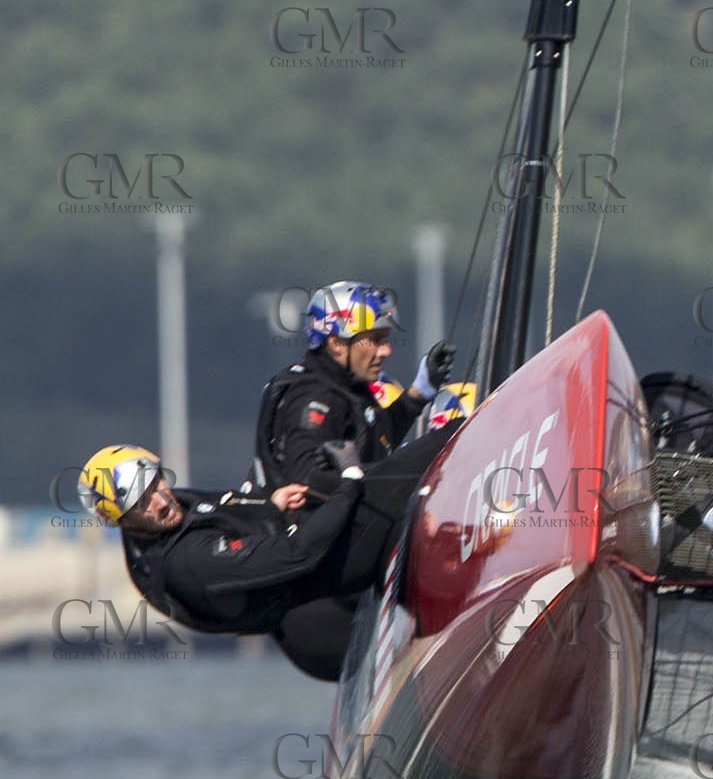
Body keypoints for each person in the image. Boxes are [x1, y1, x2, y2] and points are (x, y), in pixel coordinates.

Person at [76, 429, 456, 677]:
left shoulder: (164, 519)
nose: (160, 500)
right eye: (143, 502)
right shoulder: (187, 561)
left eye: (156, 482)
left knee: (389, 472)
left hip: (308, 587)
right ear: (123, 521)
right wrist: (350, 481)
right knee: (421, 459)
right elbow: (299, 554)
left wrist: (269, 504)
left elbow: (220, 508)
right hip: (319, 605)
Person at [251, 279, 458, 498]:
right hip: (314, 528)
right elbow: (304, 481)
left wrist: (419, 393)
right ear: (337, 344)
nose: (386, 351)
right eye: (375, 340)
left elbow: (377, 442)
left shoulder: (346, 386)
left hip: (347, 524)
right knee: (443, 439)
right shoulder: (315, 396)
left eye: (386, 340)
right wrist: (361, 471)